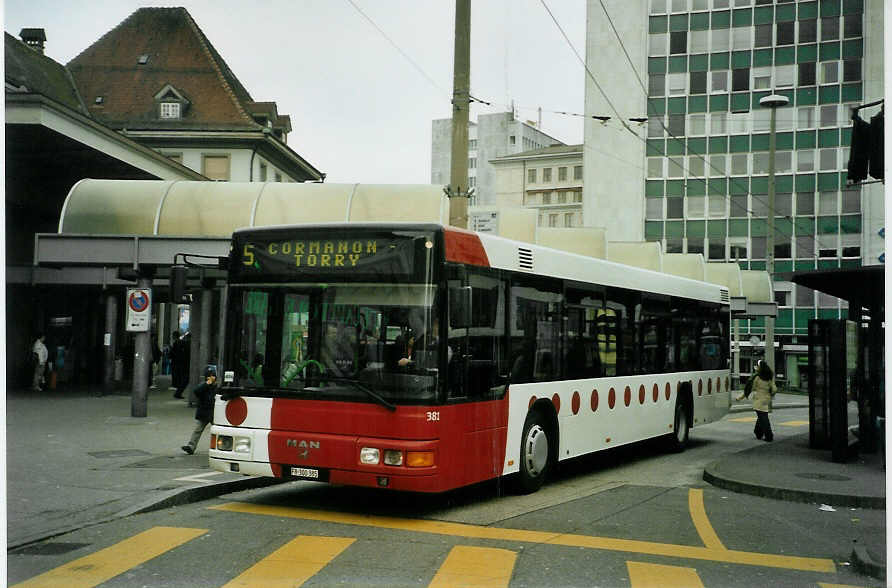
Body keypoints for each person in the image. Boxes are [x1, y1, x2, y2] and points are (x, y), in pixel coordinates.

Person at [737, 359, 778, 442]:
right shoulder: (769, 377)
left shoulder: (757, 377)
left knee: (763, 418)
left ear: (760, 368)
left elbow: (749, 389)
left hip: (758, 400)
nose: (756, 368)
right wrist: (771, 394)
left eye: (757, 366)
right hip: (766, 400)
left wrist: (740, 397)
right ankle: (758, 432)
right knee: (762, 416)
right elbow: (774, 389)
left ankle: (769, 435)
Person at [181, 368, 218, 455]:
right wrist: (207, 384)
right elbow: (196, 391)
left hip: (214, 413)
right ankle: (191, 446)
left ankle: (220, 448)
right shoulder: (203, 386)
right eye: (209, 376)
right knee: (198, 430)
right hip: (204, 412)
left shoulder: (216, 387)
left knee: (218, 430)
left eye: (213, 376)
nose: (211, 378)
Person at [170, 331, 191, 399]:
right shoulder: (186, 343)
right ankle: (178, 393)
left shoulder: (180, 343)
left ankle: (178, 392)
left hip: (181, 363)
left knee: (183, 378)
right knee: (185, 379)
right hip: (184, 364)